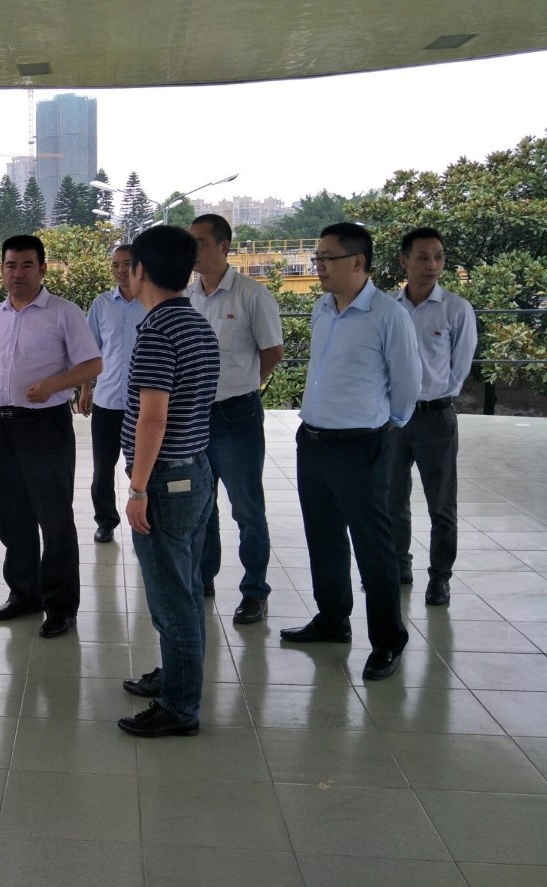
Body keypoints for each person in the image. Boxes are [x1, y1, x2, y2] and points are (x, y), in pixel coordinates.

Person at [281, 223, 421, 681]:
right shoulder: (323, 308)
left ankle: (387, 641)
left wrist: (386, 423)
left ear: (358, 262)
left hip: (361, 444)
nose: (318, 266)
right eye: (317, 257)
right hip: (313, 440)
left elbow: (407, 383)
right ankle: (332, 619)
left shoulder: (387, 315)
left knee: (373, 547)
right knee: (323, 537)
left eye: (327, 258)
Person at [0, 234, 102, 638]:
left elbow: (92, 364)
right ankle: (24, 593)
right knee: (12, 514)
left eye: (26, 265)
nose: (17, 273)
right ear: (2, 269)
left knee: (54, 518)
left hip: (45, 425)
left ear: (42, 269)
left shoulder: (64, 313)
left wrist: (55, 384)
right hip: (0, 425)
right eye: (10, 265)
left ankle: (60, 605)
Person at [116, 225, 220, 738]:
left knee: (171, 598)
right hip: (195, 472)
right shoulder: (197, 323)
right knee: (186, 588)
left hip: (165, 482)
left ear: (141, 270)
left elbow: (153, 418)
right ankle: (176, 675)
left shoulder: (158, 331)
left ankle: (180, 707)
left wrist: (138, 488)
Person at [187, 214, 284, 624]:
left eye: (200, 242)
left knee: (246, 509)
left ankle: (254, 591)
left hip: (236, 417)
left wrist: (244, 384)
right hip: (195, 417)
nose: (192, 250)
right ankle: (203, 580)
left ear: (224, 246)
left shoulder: (251, 295)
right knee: (200, 507)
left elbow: (272, 352)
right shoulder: (188, 296)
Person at [387, 227, 478, 607]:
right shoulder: (388, 308)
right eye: (423, 257)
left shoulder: (456, 309)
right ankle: (399, 566)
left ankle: (440, 577)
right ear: (405, 261)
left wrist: (434, 394)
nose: (432, 264)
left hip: (436, 417)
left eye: (438, 257)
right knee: (392, 500)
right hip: (393, 420)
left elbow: (460, 367)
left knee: (442, 504)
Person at [80, 242, 146, 544]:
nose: (121, 270)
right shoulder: (102, 304)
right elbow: (90, 350)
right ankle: (105, 521)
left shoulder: (151, 302)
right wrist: (85, 389)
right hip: (107, 400)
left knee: (142, 466)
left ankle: (144, 518)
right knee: (103, 469)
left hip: (144, 404)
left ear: (139, 266)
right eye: (115, 265)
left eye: (127, 264)